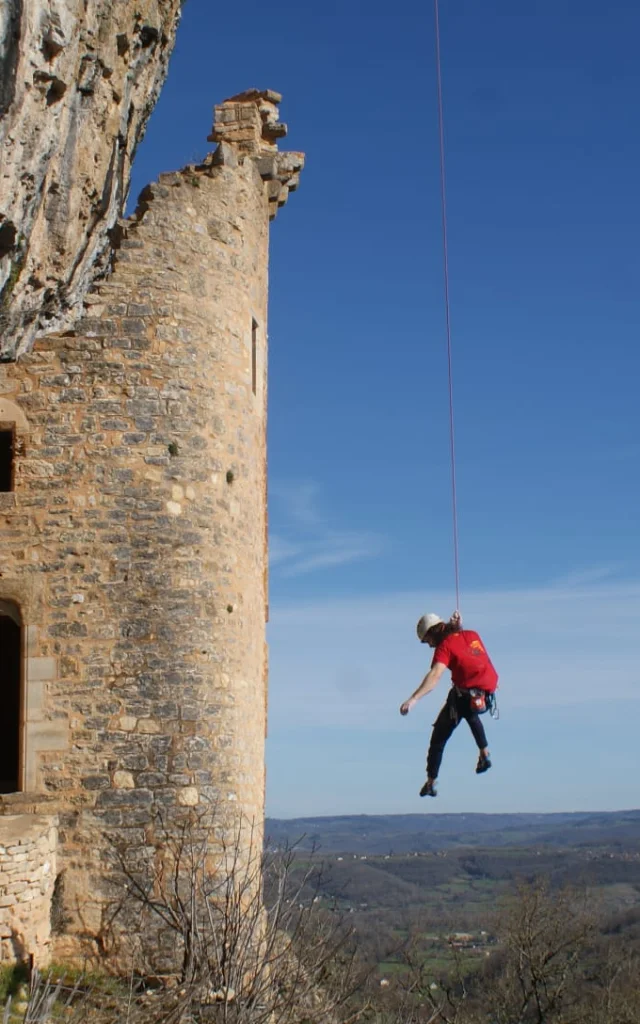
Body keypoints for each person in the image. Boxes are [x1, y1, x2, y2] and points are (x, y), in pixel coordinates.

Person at [400, 611, 498, 798]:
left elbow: (435, 676)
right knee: (469, 711)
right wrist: (458, 628)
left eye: (427, 640)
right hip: (485, 692)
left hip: (467, 694)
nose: (429, 645)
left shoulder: (444, 647)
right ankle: (484, 754)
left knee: (439, 737)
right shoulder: (471, 635)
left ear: (432, 633)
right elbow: (466, 652)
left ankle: (431, 782)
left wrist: (414, 698)